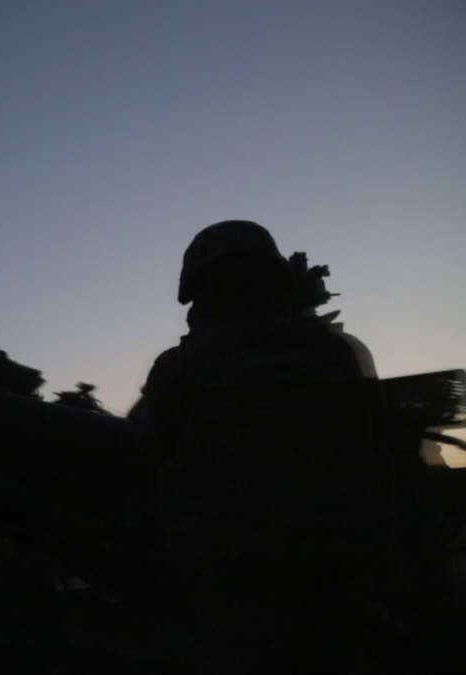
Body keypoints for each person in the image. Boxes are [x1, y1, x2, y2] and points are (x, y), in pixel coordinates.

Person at [133, 221, 389, 672]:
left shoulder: (178, 367)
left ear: (198, 290)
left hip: (223, 584)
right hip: (340, 579)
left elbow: (146, 457)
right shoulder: (334, 352)